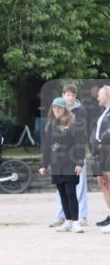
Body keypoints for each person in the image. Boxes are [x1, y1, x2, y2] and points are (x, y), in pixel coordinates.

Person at [40, 97, 88, 233]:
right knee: (62, 193)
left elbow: (80, 144)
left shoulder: (73, 123)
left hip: (70, 163)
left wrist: (79, 162)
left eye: (59, 108)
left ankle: (76, 222)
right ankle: (68, 221)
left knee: (71, 192)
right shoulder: (50, 125)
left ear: (65, 109)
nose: (56, 110)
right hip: (56, 164)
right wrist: (44, 164)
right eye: (54, 107)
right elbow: (46, 147)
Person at [51, 85, 90, 227]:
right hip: (61, 157)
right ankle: (62, 215)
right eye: (67, 95)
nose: (70, 97)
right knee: (62, 187)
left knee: (79, 186)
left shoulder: (80, 111)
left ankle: (82, 215)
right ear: (63, 95)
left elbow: (80, 134)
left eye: (73, 95)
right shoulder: (57, 111)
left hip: (75, 153)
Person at [90, 85, 110, 233]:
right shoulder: (104, 112)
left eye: (100, 95)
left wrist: (103, 141)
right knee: (102, 181)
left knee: (108, 182)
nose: (97, 97)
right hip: (101, 152)